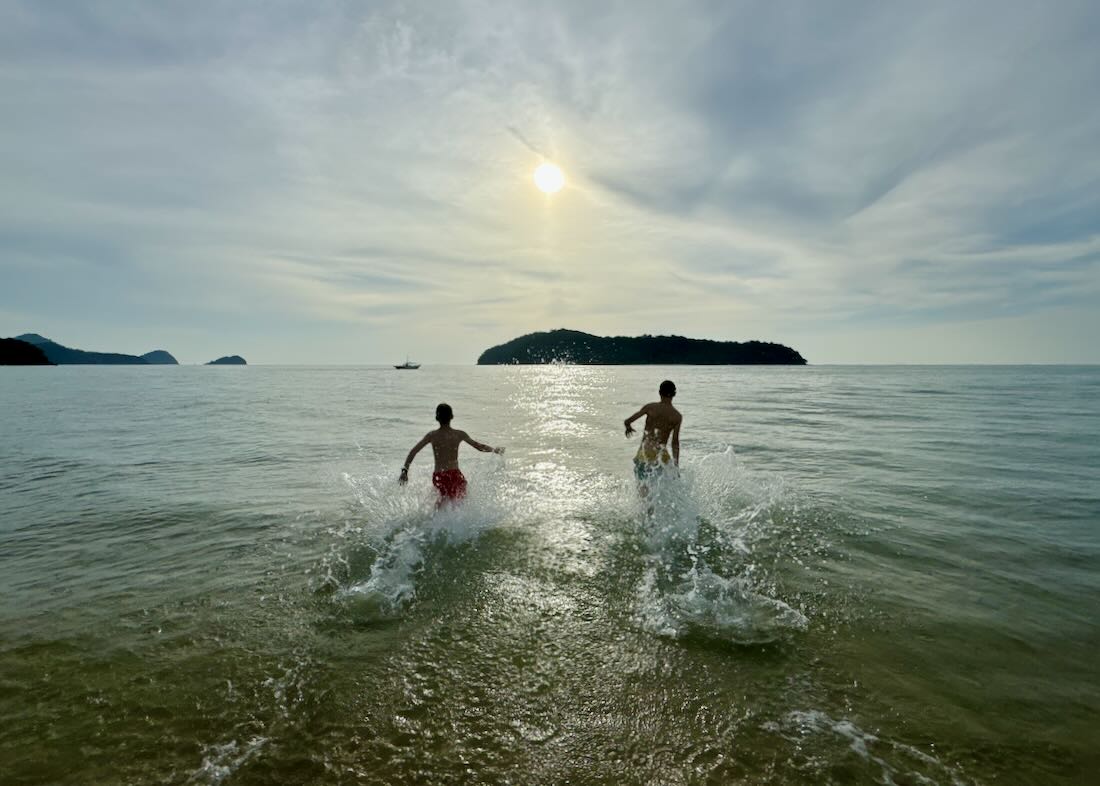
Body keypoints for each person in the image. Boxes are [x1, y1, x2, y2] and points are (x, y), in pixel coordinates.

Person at [399, 403, 504, 503]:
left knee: (442, 503)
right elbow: (479, 447)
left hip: (439, 476)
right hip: (454, 475)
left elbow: (413, 452)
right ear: (451, 416)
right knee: (460, 502)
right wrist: (494, 450)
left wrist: (405, 470)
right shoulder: (458, 434)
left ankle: (434, 520)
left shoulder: (432, 435)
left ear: (437, 418)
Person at [623, 380, 682, 494]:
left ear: (660, 392)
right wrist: (676, 466)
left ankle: (647, 510)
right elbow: (675, 443)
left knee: (643, 492)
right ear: (674, 394)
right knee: (660, 491)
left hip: (646, 453)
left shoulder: (650, 407)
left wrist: (628, 427)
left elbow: (628, 421)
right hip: (662, 457)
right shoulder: (677, 416)